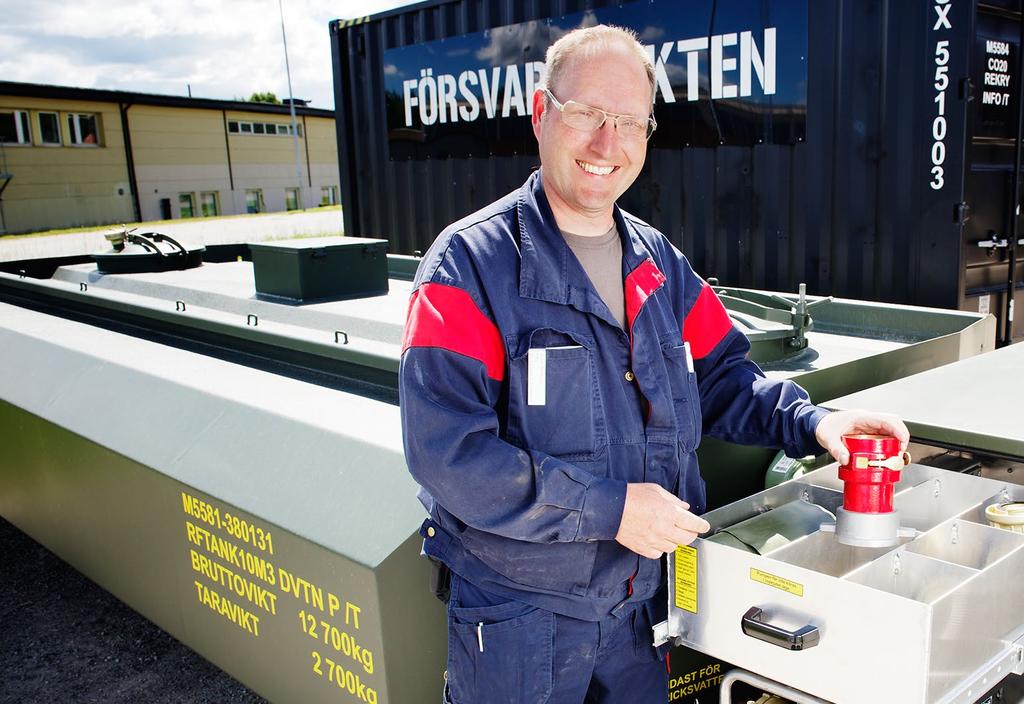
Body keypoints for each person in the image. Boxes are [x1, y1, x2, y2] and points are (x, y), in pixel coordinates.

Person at [400, 24, 908, 704]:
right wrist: (610, 511)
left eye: (629, 122)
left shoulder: (658, 265)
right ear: (541, 112)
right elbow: (448, 456)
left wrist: (817, 425)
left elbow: (727, 378)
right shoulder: (468, 268)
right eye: (586, 114)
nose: (608, 143)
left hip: (640, 615)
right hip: (521, 627)